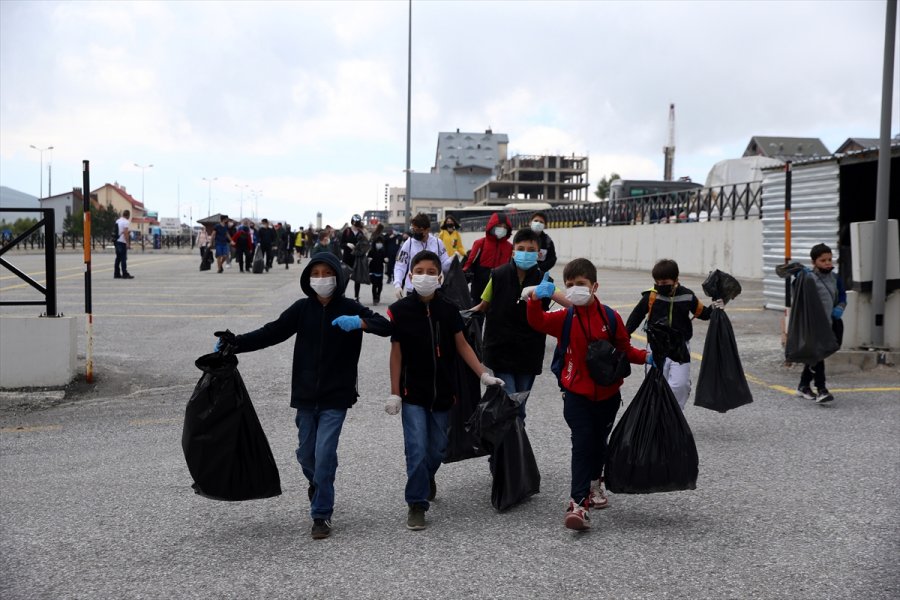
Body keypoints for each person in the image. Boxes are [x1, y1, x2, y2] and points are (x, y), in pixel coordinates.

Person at [216, 252, 391, 540]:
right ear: (308, 279)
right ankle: (318, 482)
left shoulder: (350, 307)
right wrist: (235, 343)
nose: (321, 279)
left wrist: (361, 323)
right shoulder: (302, 309)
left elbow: (387, 327)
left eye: (327, 274)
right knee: (306, 454)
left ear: (338, 276)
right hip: (305, 396)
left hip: (336, 396)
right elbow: (270, 332)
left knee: (324, 454)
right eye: (316, 274)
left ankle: (321, 514)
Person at [526, 258, 651, 531]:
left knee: (599, 442)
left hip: (608, 394)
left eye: (580, 284)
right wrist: (535, 298)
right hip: (576, 395)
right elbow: (536, 321)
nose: (574, 290)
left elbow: (625, 349)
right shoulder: (564, 318)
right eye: (569, 285)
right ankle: (578, 504)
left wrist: (647, 357)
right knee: (582, 443)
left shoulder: (610, 317)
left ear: (594, 286)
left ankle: (596, 482)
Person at [385, 250, 504, 531]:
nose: (424, 276)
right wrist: (394, 392)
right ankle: (416, 504)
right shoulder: (399, 311)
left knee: (437, 449)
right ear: (411, 275)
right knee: (416, 449)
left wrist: (483, 374)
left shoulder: (448, 309)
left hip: (442, 395)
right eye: (419, 271)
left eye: (430, 271)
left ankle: (427, 477)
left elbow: (462, 346)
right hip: (411, 393)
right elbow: (396, 354)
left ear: (439, 276)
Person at [471, 228, 562, 420]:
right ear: (513, 252)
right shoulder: (498, 275)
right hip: (500, 350)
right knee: (510, 403)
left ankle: (514, 447)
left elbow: (568, 303)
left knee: (519, 409)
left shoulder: (545, 280)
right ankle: (508, 448)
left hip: (529, 352)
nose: (526, 253)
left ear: (538, 254)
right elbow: (483, 305)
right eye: (521, 248)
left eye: (531, 250)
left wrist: (553, 292)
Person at [624, 259, 718, 410]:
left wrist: (716, 307)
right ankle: (657, 418)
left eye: (665, 282)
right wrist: (625, 335)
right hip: (656, 348)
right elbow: (636, 317)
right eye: (658, 283)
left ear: (676, 280)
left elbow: (703, 313)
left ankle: (674, 417)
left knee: (679, 385)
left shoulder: (688, 296)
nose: (661, 286)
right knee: (656, 385)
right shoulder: (651, 296)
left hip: (680, 348)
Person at [784, 243, 847, 403]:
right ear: (814, 262)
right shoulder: (808, 277)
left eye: (829, 259)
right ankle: (822, 389)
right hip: (813, 325)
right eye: (823, 260)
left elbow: (842, 297)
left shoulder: (835, 278)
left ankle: (803, 385)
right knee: (819, 354)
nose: (827, 263)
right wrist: (798, 274)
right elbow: (788, 279)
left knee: (821, 353)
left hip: (831, 323)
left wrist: (840, 308)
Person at [392, 213, 453, 299]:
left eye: (418, 230)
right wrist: (398, 284)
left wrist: (453, 260)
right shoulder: (408, 244)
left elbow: (444, 265)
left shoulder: (438, 243)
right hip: (413, 289)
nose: (415, 232)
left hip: (434, 289)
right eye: (414, 229)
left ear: (427, 230)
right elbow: (400, 266)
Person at [463, 212, 513, 306]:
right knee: (477, 316)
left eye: (504, 227)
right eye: (499, 225)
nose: (502, 228)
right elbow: (469, 263)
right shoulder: (480, 243)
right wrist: (465, 275)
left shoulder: (510, 247)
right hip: (479, 288)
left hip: (499, 288)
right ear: (492, 226)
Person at [340, 215, 368, 302]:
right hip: (347, 258)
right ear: (352, 222)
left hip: (357, 258)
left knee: (357, 278)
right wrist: (347, 244)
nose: (356, 226)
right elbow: (341, 244)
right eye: (355, 224)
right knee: (345, 277)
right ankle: (342, 294)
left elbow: (365, 244)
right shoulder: (347, 231)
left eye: (357, 224)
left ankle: (356, 297)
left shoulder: (361, 232)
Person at [368, 232, 387, 305]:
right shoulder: (371, 251)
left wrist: (385, 260)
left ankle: (378, 295)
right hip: (372, 270)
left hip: (380, 269)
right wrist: (369, 259)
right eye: (377, 242)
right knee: (374, 285)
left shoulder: (383, 251)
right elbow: (368, 259)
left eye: (380, 242)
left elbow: (384, 260)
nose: (379, 244)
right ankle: (374, 298)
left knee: (380, 285)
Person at [114, 209, 133, 279]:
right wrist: (128, 243)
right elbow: (125, 233)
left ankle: (116, 273)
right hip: (122, 242)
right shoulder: (126, 222)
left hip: (116, 241)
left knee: (118, 258)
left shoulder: (118, 221)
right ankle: (125, 273)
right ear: (128, 215)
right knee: (123, 258)